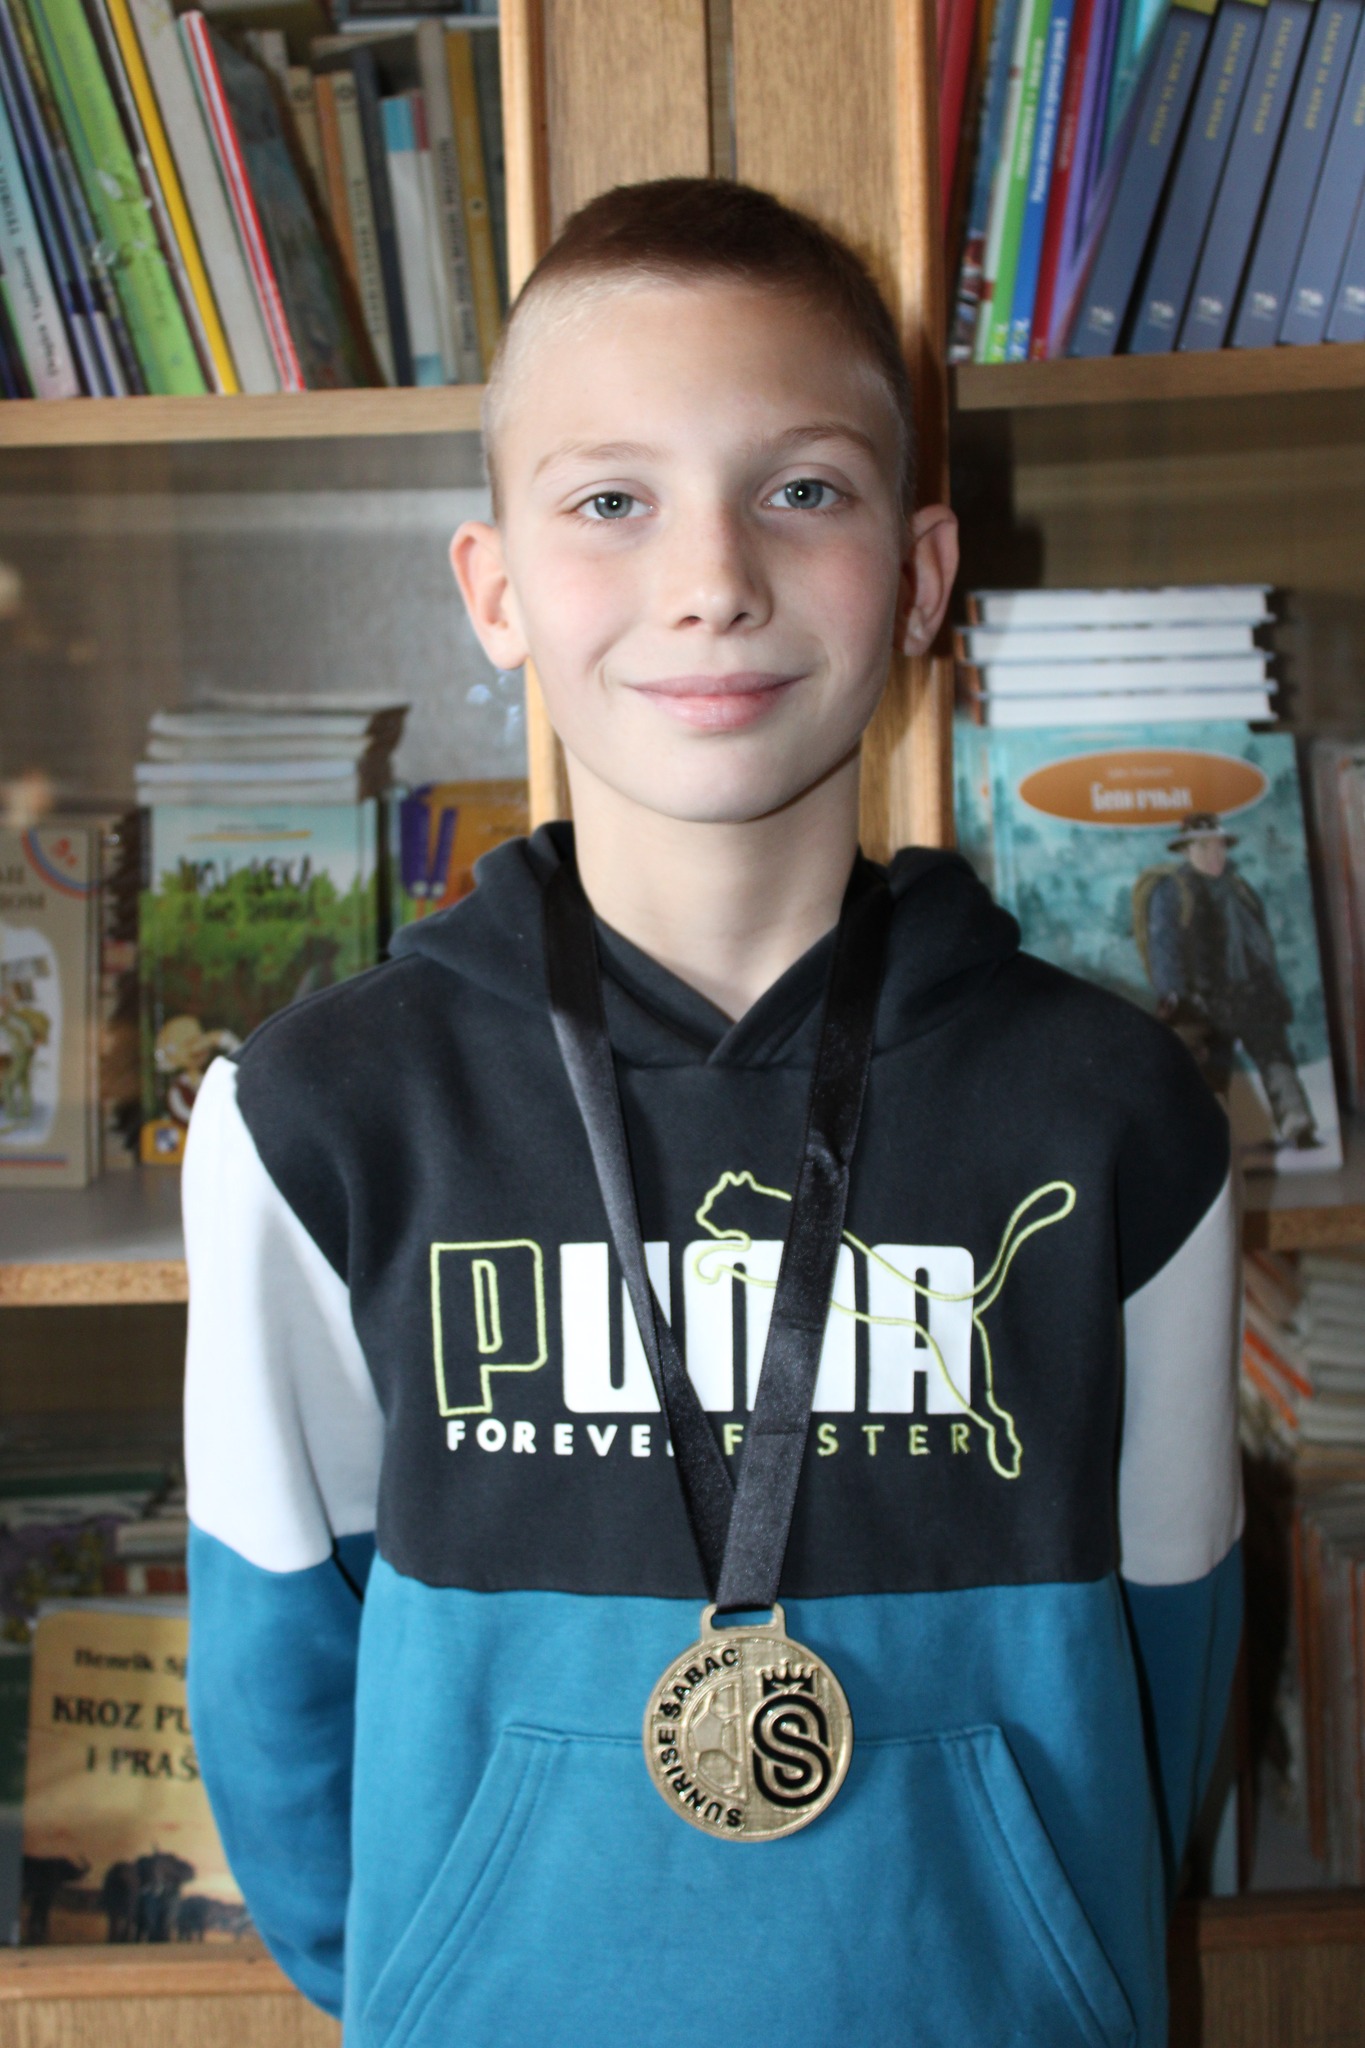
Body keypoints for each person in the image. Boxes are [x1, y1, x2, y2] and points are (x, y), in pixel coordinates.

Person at [183, 180, 1242, 2047]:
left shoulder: (1112, 1110)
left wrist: (1049, 1955)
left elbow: (1174, 1644)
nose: (714, 578)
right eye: (612, 501)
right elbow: (277, 1667)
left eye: (803, 489)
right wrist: (433, 1982)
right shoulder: (321, 1113)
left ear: (920, 575)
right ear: (495, 589)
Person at [1138, 811, 1319, 1149]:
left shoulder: (1239, 890)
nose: (1214, 855)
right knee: (1211, 1074)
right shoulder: (1172, 892)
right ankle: (1211, 1144)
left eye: (1219, 846)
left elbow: (1261, 948)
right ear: (1186, 851)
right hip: (1203, 1002)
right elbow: (1164, 949)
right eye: (1203, 847)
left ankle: (1299, 1125)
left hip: (1251, 995)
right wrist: (1175, 997)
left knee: (1275, 1057)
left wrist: (1272, 990)